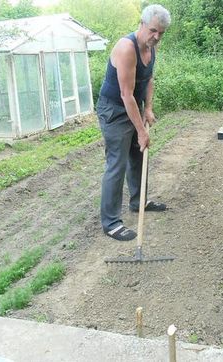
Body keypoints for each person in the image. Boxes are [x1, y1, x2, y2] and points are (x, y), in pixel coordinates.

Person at [96, 4, 171, 241]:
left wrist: (148, 108)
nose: (156, 36)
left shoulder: (150, 47)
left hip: (132, 106)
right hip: (114, 109)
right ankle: (111, 223)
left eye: (161, 33)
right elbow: (126, 95)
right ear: (141, 24)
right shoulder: (127, 48)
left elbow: (148, 80)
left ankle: (139, 202)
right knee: (117, 163)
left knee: (138, 158)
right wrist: (141, 130)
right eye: (153, 31)